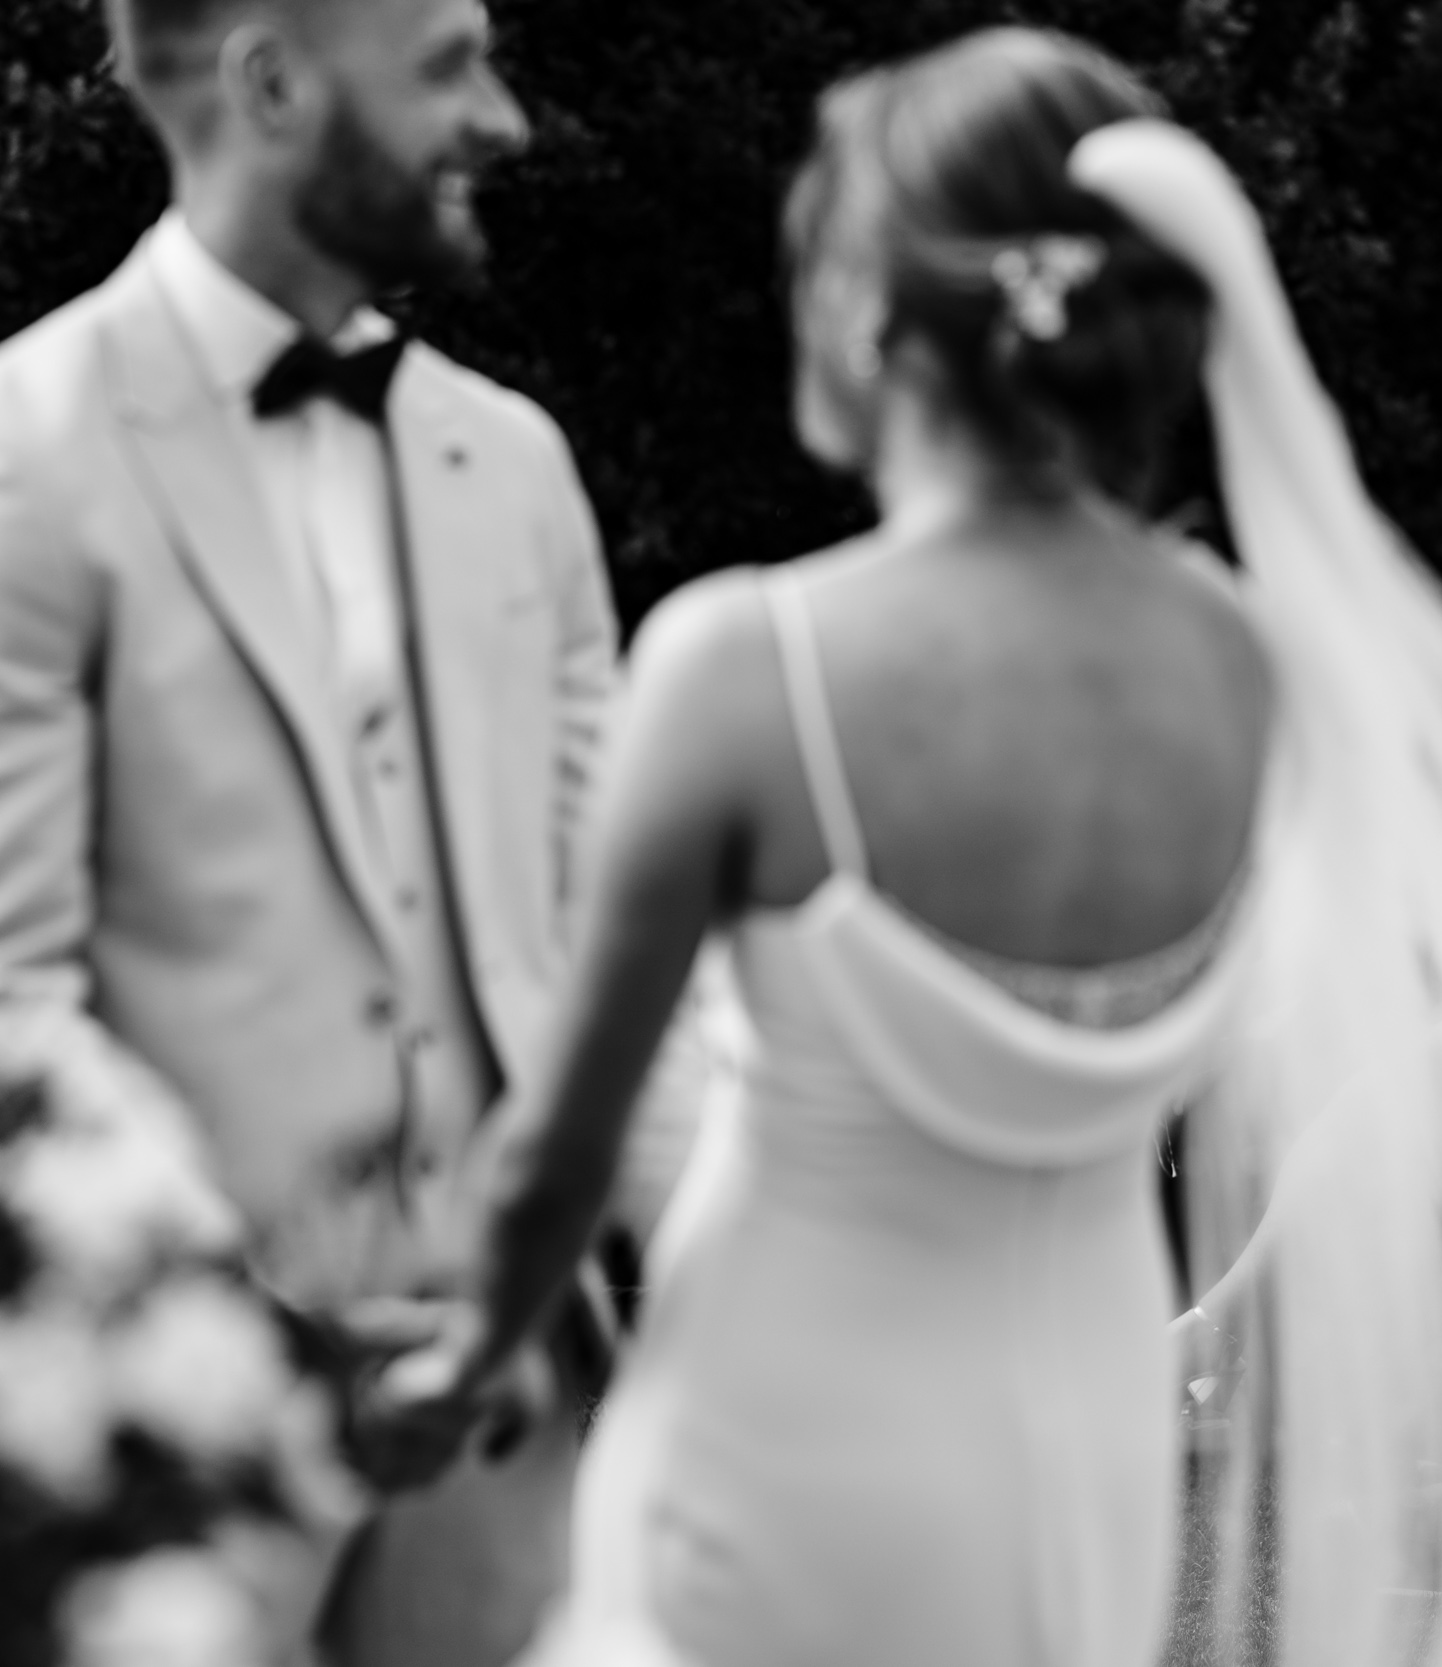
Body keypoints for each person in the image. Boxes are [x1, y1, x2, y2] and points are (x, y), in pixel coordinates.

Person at [362, 30, 1442, 1667]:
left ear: (890, 316)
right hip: (1081, 1419)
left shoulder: (741, 662)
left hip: (789, 1405)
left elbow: (552, 1142)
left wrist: (444, 1365)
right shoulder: (1246, 666)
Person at [0, 0, 615, 1661]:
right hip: (159, 1451)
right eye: (445, 64)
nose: (500, 117)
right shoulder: (26, 451)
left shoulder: (523, 472)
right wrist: (272, 1346)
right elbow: (10, 995)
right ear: (274, 83)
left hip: (507, 1428)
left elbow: (602, 943)